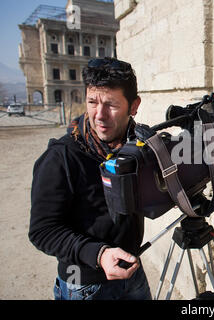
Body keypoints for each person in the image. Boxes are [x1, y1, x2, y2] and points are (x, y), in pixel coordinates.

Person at [29, 57, 151, 300]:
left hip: (132, 272)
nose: (99, 115)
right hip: (84, 286)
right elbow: (42, 230)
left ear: (133, 106)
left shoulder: (135, 147)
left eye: (111, 104)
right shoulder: (60, 158)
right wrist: (99, 254)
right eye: (92, 102)